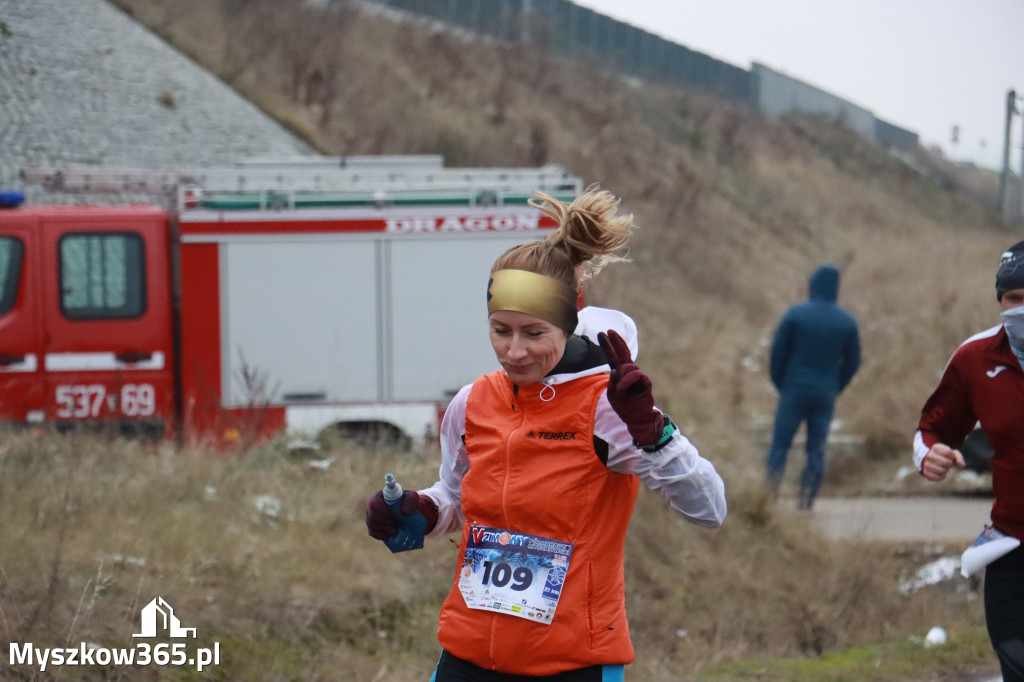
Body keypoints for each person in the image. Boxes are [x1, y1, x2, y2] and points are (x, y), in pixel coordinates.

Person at [365, 186, 727, 680]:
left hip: (572, 661)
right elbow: (456, 495)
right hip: (469, 651)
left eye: (534, 333)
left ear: (569, 322)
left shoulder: (608, 406)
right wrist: (420, 510)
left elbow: (709, 510)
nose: (514, 352)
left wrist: (653, 432)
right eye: (500, 330)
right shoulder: (472, 402)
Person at [915, 240, 1024, 682]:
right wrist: (930, 456)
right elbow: (931, 430)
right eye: (1014, 299)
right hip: (1012, 546)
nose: (1021, 309)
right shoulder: (977, 358)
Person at [764, 264, 861, 509]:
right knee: (816, 449)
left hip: (793, 389)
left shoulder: (795, 315)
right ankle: (806, 501)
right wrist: (836, 386)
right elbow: (853, 361)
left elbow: (777, 353)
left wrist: (781, 382)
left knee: (780, 444)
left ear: (813, 285)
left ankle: (769, 497)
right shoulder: (846, 321)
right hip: (825, 394)